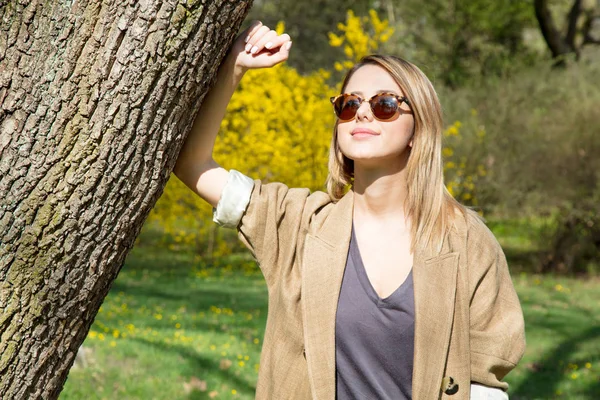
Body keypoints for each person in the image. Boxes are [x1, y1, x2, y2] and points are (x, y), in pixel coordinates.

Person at [174, 20, 526, 400]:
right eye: (349, 104)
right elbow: (192, 163)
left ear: (418, 129)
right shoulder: (298, 223)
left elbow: (485, 385)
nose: (362, 113)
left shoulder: (467, 241)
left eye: (385, 105)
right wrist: (235, 68)